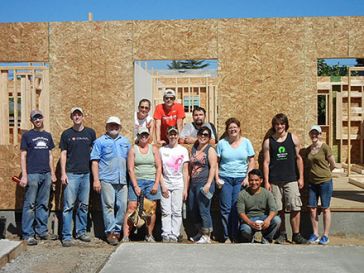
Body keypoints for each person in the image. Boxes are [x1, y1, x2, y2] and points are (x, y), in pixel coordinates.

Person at [263, 113, 307, 244]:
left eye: (282, 124)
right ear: (274, 126)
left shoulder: (293, 138)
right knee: (278, 209)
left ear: (286, 125)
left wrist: (301, 178)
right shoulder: (268, 141)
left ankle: (296, 235)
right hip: (275, 180)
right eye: (276, 124)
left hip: (291, 179)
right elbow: (266, 162)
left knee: (295, 207)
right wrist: (266, 181)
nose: (279, 126)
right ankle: (282, 234)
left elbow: (299, 159)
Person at [19, 110, 57, 246]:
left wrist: (52, 173)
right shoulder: (27, 136)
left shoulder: (47, 136)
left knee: (43, 204)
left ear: (43, 118)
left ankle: (42, 231)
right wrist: (24, 175)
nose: (38, 120)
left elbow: (50, 155)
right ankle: (28, 234)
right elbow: (23, 155)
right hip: (32, 174)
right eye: (35, 118)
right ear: (32, 121)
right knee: (30, 204)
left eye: (39, 117)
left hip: (46, 174)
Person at [91, 116, 131, 245]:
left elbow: (130, 161)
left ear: (119, 127)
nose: (113, 128)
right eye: (111, 125)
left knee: (123, 205)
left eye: (116, 126)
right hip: (107, 179)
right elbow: (95, 162)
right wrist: (96, 180)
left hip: (122, 180)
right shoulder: (100, 142)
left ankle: (117, 230)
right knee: (108, 206)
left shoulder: (125, 142)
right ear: (107, 127)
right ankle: (110, 232)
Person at [60, 107, 96, 247]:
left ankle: (81, 232)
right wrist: (63, 173)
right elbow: (63, 154)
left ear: (83, 116)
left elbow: (94, 153)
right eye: (74, 115)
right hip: (71, 174)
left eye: (79, 114)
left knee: (84, 205)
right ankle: (67, 235)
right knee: (68, 206)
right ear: (71, 117)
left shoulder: (90, 133)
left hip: (86, 174)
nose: (77, 117)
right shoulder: (66, 134)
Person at [216, 118, 255, 243]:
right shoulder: (222, 143)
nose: (232, 130)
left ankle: (235, 235)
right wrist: (217, 178)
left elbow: (251, 161)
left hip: (240, 179)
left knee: (237, 208)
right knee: (226, 208)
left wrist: (247, 177)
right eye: (230, 128)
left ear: (239, 128)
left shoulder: (246, 142)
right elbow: (216, 162)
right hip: (225, 178)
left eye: (235, 127)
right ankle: (226, 236)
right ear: (227, 130)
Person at [122, 127, 162, 242]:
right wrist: (135, 186)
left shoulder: (154, 149)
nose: (144, 137)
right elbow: (130, 169)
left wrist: (156, 184)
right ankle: (126, 236)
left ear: (148, 136)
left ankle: (149, 235)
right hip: (137, 180)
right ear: (138, 136)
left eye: (146, 135)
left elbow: (159, 167)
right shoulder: (133, 149)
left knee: (150, 210)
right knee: (132, 207)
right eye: (141, 135)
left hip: (151, 181)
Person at [305, 125, 336, 245]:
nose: (314, 135)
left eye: (316, 133)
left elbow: (333, 164)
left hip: (325, 182)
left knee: (325, 208)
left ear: (320, 134)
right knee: (312, 208)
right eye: (312, 133)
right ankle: (315, 234)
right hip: (312, 183)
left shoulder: (325, 147)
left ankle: (326, 235)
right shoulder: (309, 149)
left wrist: (326, 174)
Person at [159, 126, 189, 242]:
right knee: (166, 211)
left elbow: (185, 171)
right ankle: (165, 233)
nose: (173, 136)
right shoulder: (163, 150)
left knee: (177, 211)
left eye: (175, 134)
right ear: (167, 136)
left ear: (178, 136)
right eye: (170, 134)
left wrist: (185, 189)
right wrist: (163, 185)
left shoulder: (183, 150)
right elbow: (159, 170)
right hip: (166, 183)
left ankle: (175, 234)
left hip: (178, 184)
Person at [188, 126, 217, 244]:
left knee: (204, 209)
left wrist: (209, 183)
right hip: (193, 183)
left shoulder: (210, 149)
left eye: (206, 135)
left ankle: (207, 235)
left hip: (205, 183)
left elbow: (213, 167)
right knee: (192, 208)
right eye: (201, 134)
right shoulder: (194, 148)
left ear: (209, 137)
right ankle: (200, 232)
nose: (203, 136)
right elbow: (190, 167)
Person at [237, 169, 281, 244]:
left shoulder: (267, 193)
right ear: (248, 180)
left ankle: (267, 238)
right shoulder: (242, 194)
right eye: (251, 180)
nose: (254, 183)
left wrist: (268, 220)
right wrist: (250, 223)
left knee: (277, 220)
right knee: (245, 230)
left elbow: (274, 209)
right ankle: (250, 238)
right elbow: (241, 212)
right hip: (249, 219)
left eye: (256, 180)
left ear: (261, 180)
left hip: (264, 218)